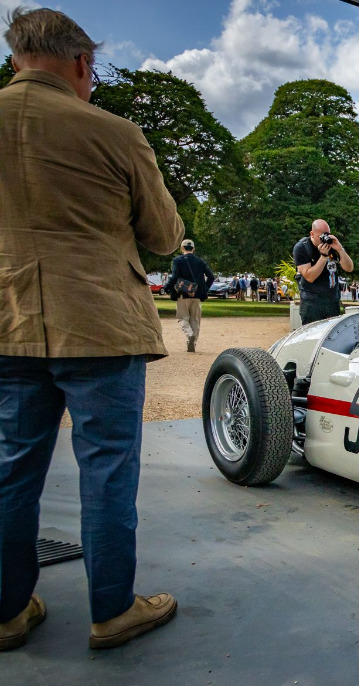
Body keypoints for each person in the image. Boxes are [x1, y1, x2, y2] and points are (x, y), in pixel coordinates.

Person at [0, 7, 182, 651]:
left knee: (11, 467)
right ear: (82, 63)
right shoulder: (115, 133)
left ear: (16, 58)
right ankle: (112, 609)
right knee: (107, 469)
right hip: (101, 322)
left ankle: (7, 610)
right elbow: (164, 235)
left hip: (9, 321)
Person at [294, 219, 354, 325]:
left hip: (332, 302)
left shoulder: (332, 245)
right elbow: (309, 277)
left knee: (332, 334)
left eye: (327, 235)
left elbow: (349, 268)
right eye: (321, 236)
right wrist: (323, 257)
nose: (324, 240)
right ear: (312, 234)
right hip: (312, 303)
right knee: (313, 334)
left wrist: (340, 249)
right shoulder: (302, 248)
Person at [164, 238, 215, 353]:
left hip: (182, 294)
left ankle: (189, 334)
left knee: (182, 317)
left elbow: (175, 277)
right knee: (195, 320)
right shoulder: (200, 261)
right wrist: (204, 289)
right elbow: (211, 277)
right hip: (196, 295)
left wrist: (167, 287)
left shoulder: (177, 260)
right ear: (193, 249)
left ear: (182, 248)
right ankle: (193, 342)